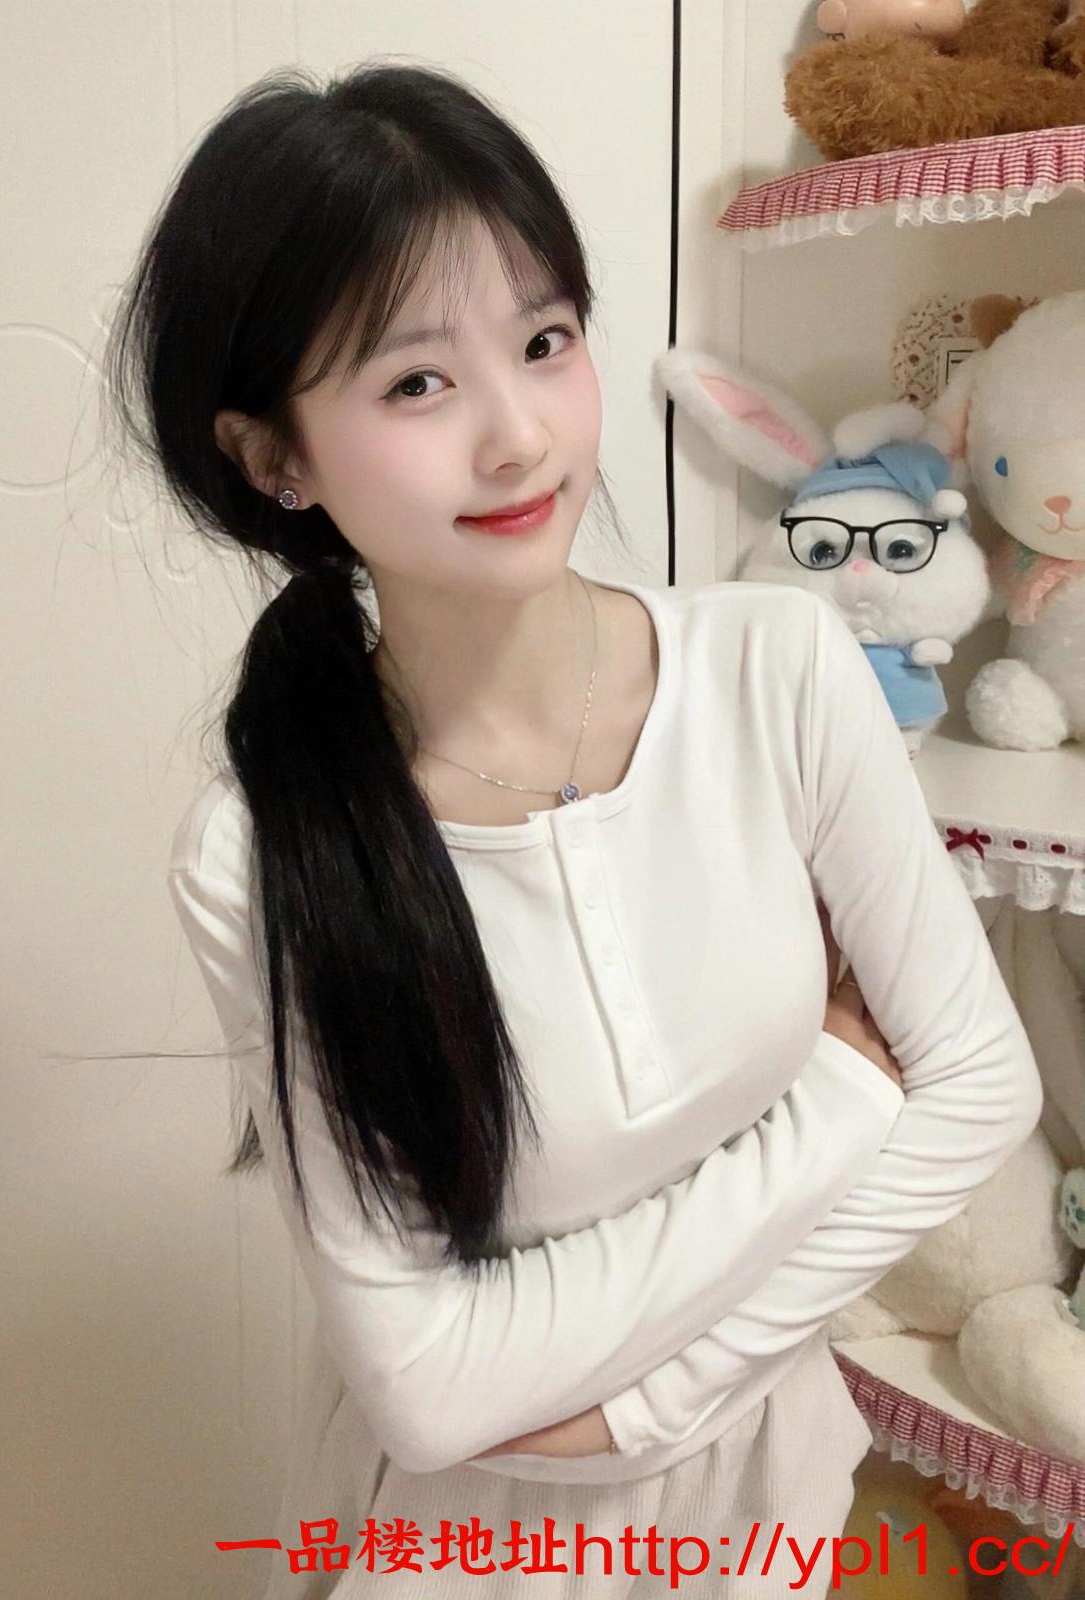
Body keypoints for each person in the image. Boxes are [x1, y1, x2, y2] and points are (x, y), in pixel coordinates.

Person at [105, 61, 1044, 1598]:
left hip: (770, 1503)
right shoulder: (259, 854)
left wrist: (642, 1408)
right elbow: (431, 1390)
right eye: (416, 384)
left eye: (545, 343)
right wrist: (835, 1101)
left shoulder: (778, 670)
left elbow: (984, 1086)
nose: (520, 437)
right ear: (275, 456)